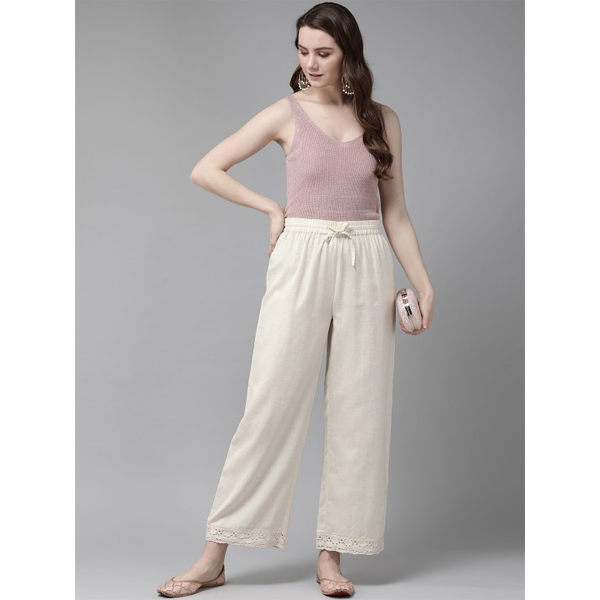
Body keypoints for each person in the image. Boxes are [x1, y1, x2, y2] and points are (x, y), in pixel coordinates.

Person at [156, 2, 435, 598]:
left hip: (366, 259)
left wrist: (424, 282)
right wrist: (270, 208)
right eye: (303, 51)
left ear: (349, 54)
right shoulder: (285, 113)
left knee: (360, 409)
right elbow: (206, 169)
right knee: (270, 403)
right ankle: (214, 556)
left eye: (323, 52)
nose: (311, 63)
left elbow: (395, 212)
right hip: (302, 253)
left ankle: (332, 558)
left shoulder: (382, 119)